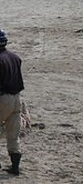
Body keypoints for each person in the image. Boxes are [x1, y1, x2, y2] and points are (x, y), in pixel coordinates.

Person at [0, 29, 24, 176]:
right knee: (13, 135)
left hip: (2, 99)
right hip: (16, 99)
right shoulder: (15, 57)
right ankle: (15, 167)